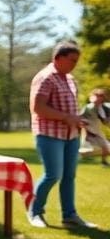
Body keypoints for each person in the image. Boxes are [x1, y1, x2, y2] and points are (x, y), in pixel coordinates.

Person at [28, 41, 95, 228]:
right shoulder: (46, 78)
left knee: (68, 176)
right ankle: (35, 212)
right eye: (72, 60)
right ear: (58, 58)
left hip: (70, 135)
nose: (75, 64)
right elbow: (37, 107)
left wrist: (78, 120)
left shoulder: (70, 79)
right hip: (49, 134)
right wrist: (66, 117)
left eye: (76, 60)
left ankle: (69, 215)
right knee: (52, 175)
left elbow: (69, 108)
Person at [80, 88, 110, 167]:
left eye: (100, 96)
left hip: (98, 131)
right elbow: (80, 118)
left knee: (106, 148)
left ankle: (103, 162)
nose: (98, 98)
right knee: (104, 147)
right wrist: (85, 130)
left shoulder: (105, 108)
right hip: (90, 131)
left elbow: (106, 120)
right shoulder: (88, 108)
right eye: (96, 96)